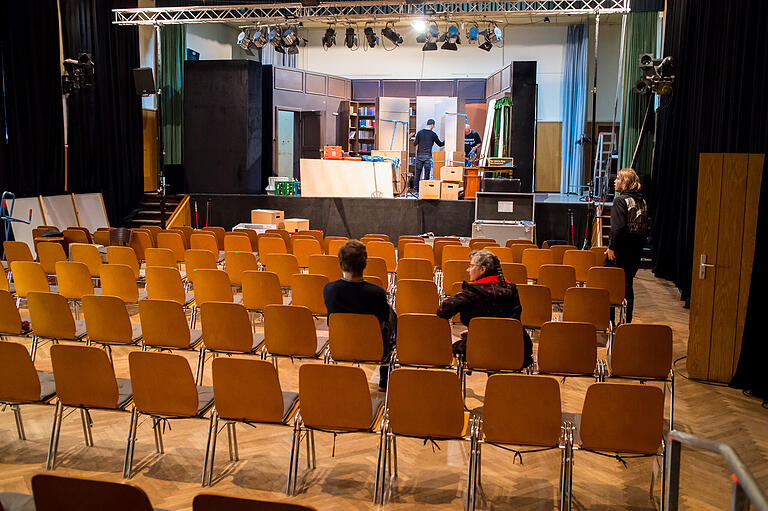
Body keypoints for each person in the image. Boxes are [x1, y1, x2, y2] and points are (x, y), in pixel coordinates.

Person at [436, 249, 533, 369]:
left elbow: (442, 311)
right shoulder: (511, 290)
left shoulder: (473, 291)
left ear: (482, 269)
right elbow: (512, 322)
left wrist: (479, 332)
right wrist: (480, 330)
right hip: (514, 348)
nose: (467, 270)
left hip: (480, 348)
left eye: (471, 266)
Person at [323, 240, 396, 391]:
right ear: (364, 264)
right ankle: (385, 379)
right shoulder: (377, 293)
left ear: (340, 263)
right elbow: (381, 325)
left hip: (340, 345)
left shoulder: (329, 289)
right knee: (391, 315)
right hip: (374, 349)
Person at [606, 168, 648, 323]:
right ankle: (626, 323)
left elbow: (617, 228)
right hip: (636, 251)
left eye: (618, 178)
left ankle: (609, 322)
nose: (615, 181)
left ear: (624, 183)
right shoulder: (642, 201)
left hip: (620, 251)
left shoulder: (620, 201)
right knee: (628, 285)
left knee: (608, 285)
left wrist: (611, 247)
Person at [411, 119, 444, 193]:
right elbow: (440, 144)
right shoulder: (433, 134)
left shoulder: (419, 133)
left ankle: (416, 190)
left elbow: (414, 144)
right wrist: (447, 140)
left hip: (419, 156)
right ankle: (425, 190)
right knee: (426, 174)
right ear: (432, 125)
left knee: (418, 174)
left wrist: (412, 138)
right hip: (427, 157)